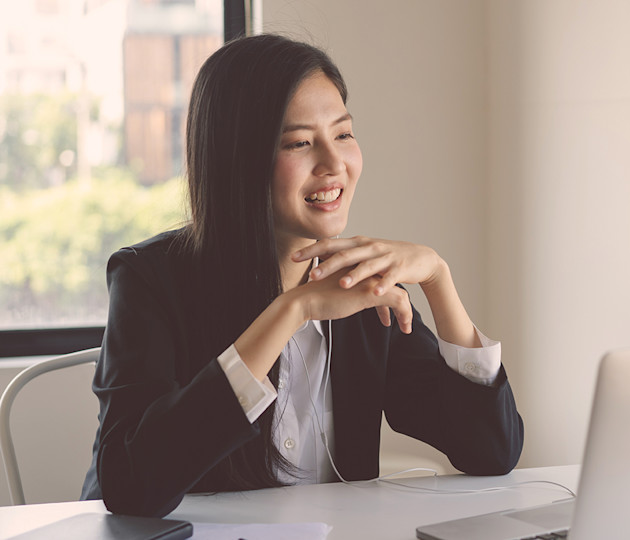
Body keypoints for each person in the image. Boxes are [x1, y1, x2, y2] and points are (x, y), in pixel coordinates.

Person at [80, 34, 523, 518]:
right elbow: (129, 488)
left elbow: (491, 451)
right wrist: (294, 309)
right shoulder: (149, 279)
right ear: (238, 160)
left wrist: (438, 279)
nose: (335, 166)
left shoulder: (361, 285)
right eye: (300, 143)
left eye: (344, 134)